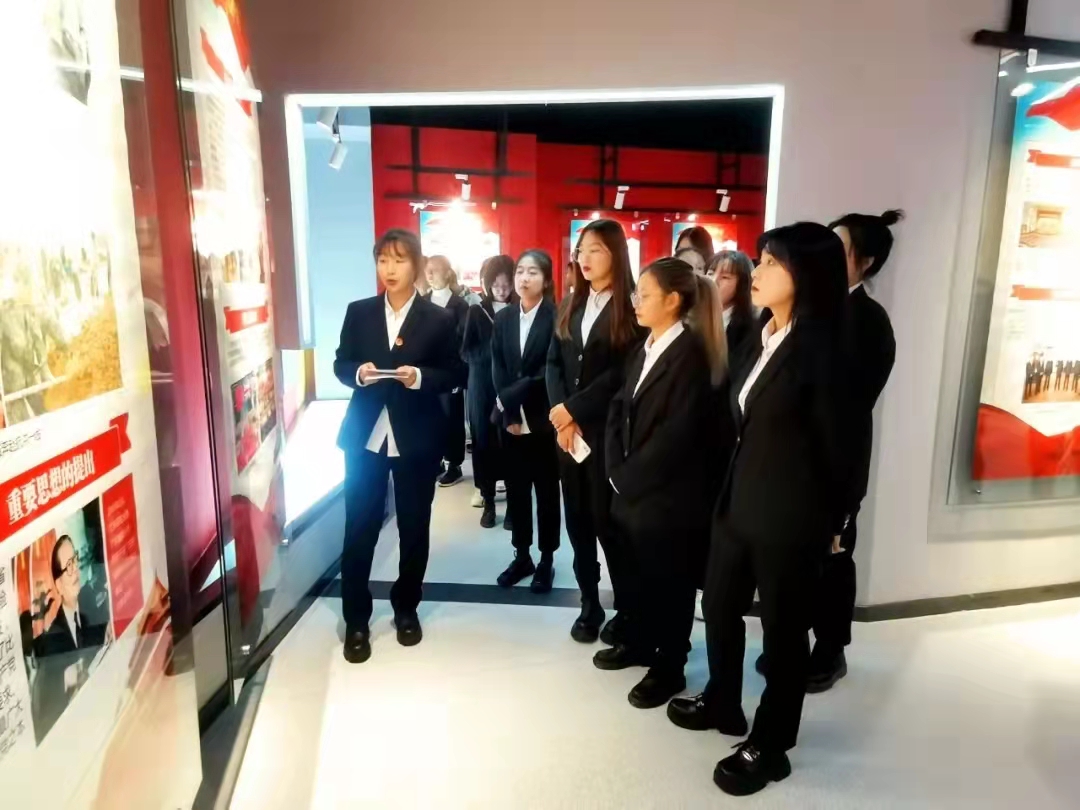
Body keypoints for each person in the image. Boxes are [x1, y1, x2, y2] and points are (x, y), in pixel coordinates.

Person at [667, 222, 853, 796]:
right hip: (737, 500)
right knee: (719, 604)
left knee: (783, 633)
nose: (759, 271)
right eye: (762, 259)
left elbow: (846, 446)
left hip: (791, 515)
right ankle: (723, 699)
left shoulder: (826, 349)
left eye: (772, 262)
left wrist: (836, 521)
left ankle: (772, 745)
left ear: (806, 274)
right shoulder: (761, 334)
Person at [599, 257, 729, 709]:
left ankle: (670, 664)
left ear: (673, 300)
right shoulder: (646, 346)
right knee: (639, 577)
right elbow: (618, 407)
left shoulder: (692, 356)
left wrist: (627, 477)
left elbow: (677, 435)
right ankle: (639, 642)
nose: (636, 301)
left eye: (645, 294)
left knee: (671, 584)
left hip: (669, 498)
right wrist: (615, 468)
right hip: (632, 490)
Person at [334, 230, 465, 664]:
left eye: (399, 260)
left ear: (416, 264)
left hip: (416, 436)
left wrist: (420, 377)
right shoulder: (359, 312)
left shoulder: (438, 319)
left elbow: (455, 373)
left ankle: (406, 607)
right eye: (382, 260)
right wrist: (358, 373)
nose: (389, 270)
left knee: (414, 527)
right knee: (359, 526)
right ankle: (356, 618)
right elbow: (340, 362)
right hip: (365, 435)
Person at [785, 209, 899, 691]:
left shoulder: (869, 320)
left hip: (836, 464)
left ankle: (830, 650)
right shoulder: (808, 309)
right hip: (791, 463)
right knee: (793, 559)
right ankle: (792, 645)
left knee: (832, 559)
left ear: (865, 261)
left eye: (840, 248)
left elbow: (850, 404)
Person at [547, 219, 644, 643]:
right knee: (577, 522)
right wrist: (560, 413)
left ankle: (628, 608)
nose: (584, 258)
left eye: (596, 250)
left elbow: (623, 373)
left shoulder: (633, 306)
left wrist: (572, 409)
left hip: (607, 433)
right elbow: (553, 362)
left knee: (610, 523)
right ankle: (589, 601)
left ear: (616, 255)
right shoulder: (570, 302)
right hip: (568, 435)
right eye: (581, 250)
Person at [492, 249, 561, 593]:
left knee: (547, 493)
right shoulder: (504, 318)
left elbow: (550, 369)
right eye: (520, 271)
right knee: (517, 492)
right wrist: (508, 412)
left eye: (533, 272)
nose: (524, 278)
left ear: (546, 280)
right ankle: (522, 555)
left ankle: (546, 559)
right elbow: (498, 366)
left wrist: (512, 398)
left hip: (544, 419)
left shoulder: (557, 317)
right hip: (512, 421)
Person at [462, 255, 515, 528]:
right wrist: (493, 351)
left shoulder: (519, 310)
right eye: (496, 285)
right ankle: (489, 502)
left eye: (506, 285)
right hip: (481, 388)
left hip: (510, 388)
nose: (502, 290)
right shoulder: (476, 312)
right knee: (483, 444)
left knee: (512, 444)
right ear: (487, 283)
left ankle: (514, 505)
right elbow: (465, 351)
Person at [425, 255, 470, 486]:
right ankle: (436, 460)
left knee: (452, 417)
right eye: (428, 270)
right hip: (426, 371)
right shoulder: (421, 302)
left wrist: (459, 372)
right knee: (430, 417)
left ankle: (454, 464)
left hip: (450, 371)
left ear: (447, 272)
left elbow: (464, 340)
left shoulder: (459, 305)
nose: (430, 275)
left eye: (435, 270)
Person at [707, 250, 756, 361]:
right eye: (710, 274)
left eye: (725, 277)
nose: (714, 281)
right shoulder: (692, 320)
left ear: (742, 285)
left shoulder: (747, 332)